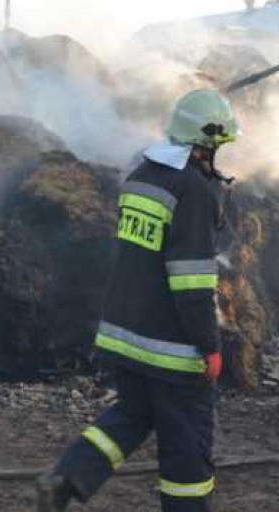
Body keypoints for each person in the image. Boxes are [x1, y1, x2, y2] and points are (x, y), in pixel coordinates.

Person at [37, 88, 238, 512]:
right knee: (187, 447)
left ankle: (65, 478)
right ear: (206, 143)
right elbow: (191, 281)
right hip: (172, 349)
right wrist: (209, 345)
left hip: (126, 335)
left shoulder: (141, 176)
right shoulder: (196, 191)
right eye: (218, 145)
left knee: (131, 416)